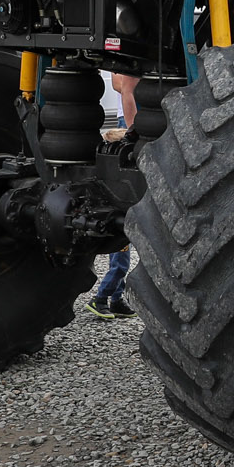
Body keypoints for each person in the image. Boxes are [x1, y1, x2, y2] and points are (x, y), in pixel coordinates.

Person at [89, 74, 138, 320]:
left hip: (126, 124)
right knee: (121, 259)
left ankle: (116, 299)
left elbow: (120, 85)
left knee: (122, 254)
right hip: (129, 126)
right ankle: (100, 298)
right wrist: (132, 131)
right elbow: (124, 85)